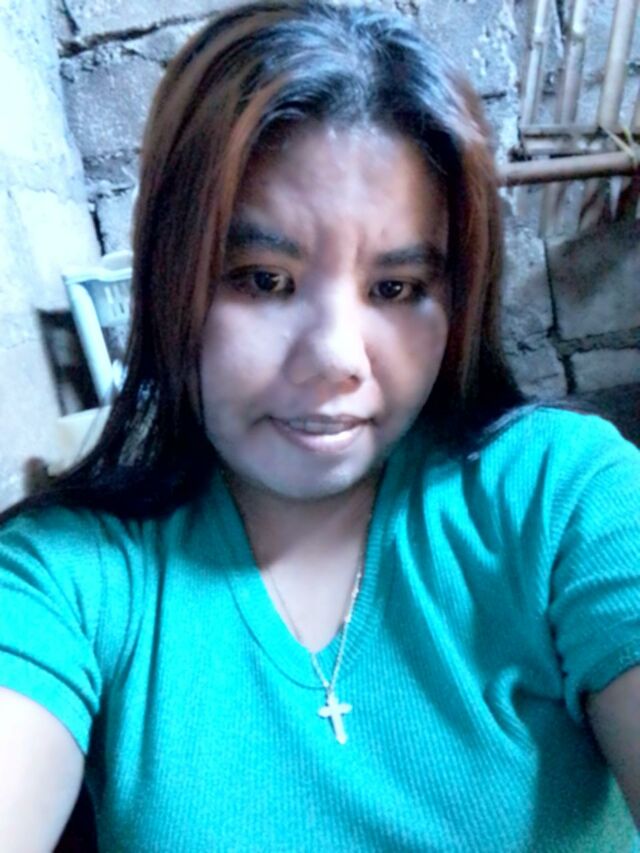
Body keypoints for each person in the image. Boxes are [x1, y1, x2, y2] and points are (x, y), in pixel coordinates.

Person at [1, 1, 639, 850]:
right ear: (171, 278)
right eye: (263, 279)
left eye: (396, 288)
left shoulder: (564, 497)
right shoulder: (72, 576)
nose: (337, 357)